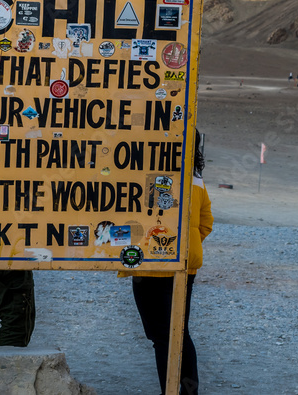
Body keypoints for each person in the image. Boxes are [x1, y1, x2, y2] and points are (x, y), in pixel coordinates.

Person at [122, 128, 213, 395]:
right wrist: (187, 245)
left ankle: (172, 391)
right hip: (185, 266)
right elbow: (206, 222)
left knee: (162, 337)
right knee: (179, 332)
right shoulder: (196, 178)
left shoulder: (144, 174)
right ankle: (187, 391)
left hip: (151, 266)